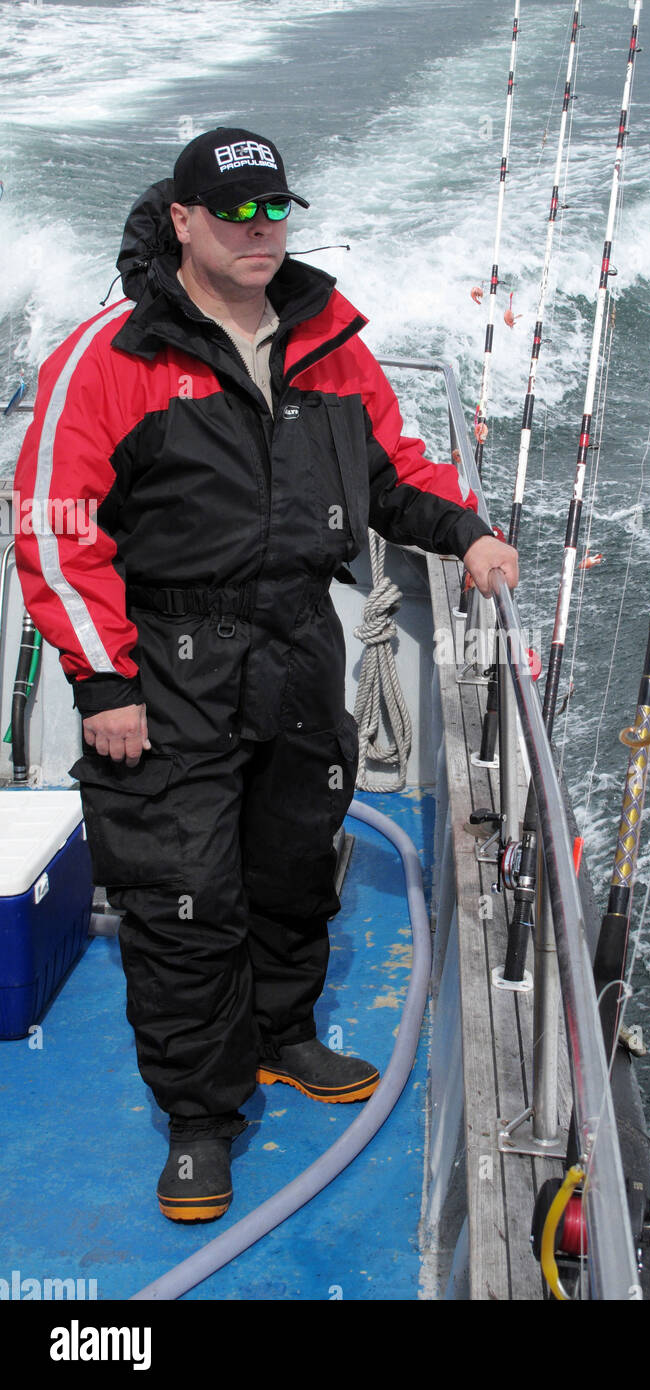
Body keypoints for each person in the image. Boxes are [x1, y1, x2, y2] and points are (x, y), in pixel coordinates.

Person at [14, 127, 518, 1223]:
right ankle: (201, 1117)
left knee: (292, 865)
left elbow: (389, 472)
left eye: (274, 211)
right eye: (234, 214)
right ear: (183, 220)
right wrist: (103, 684)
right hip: (167, 664)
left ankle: (285, 1031)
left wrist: (467, 533)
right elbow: (57, 531)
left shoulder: (328, 341)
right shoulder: (111, 357)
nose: (259, 232)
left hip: (297, 645)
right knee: (185, 897)